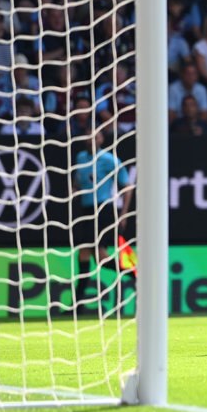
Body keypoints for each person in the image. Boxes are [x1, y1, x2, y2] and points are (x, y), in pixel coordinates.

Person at [73, 128, 134, 313]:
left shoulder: (109, 159)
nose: (91, 139)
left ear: (101, 139)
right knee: (83, 254)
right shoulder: (81, 158)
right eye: (89, 135)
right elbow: (78, 183)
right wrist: (73, 191)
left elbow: (127, 186)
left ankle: (136, 274)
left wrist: (123, 213)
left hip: (103, 210)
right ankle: (77, 306)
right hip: (86, 210)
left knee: (99, 257)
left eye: (96, 136)